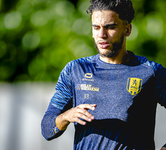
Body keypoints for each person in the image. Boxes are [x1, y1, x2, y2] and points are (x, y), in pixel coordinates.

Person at [41, 0, 166, 149]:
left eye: (110, 27)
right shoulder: (76, 70)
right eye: (96, 27)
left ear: (127, 29)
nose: (101, 35)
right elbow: (47, 129)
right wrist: (67, 116)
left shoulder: (150, 72)